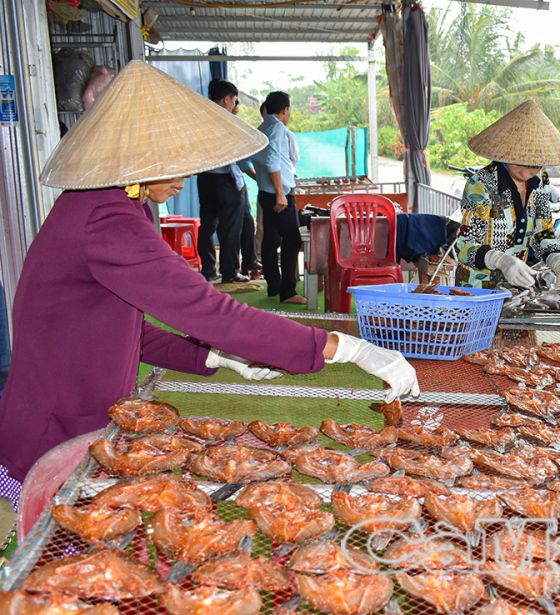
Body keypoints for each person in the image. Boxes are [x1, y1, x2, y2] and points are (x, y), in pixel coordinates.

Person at [0, 61, 420, 488]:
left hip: (87, 415)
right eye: (173, 163)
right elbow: (210, 311)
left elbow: (125, 327)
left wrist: (215, 357)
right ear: (136, 159)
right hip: (51, 430)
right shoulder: (105, 218)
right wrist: (347, 349)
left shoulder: (127, 204)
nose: (185, 179)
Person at [454, 100, 560, 289]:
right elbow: (465, 245)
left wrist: (559, 263)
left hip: (519, 285)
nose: (531, 170)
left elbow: (543, 231)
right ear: (506, 154)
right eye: (523, 162)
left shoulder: (540, 182)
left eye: (536, 164)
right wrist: (499, 260)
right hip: (478, 287)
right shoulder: (482, 184)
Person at [197, 79, 256, 284]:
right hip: (225, 180)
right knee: (230, 227)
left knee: (207, 226)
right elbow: (239, 156)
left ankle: (208, 269)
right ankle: (230, 272)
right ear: (225, 100)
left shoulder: (200, 118)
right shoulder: (227, 121)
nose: (234, 105)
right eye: (234, 100)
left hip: (205, 178)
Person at [253, 91, 306, 304]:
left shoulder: (262, 128)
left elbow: (251, 160)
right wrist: (280, 194)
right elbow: (272, 162)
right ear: (285, 110)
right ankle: (288, 291)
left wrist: (264, 184)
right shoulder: (277, 128)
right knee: (292, 240)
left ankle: (274, 286)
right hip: (278, 194)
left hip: (267, 192)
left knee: (271, 239)